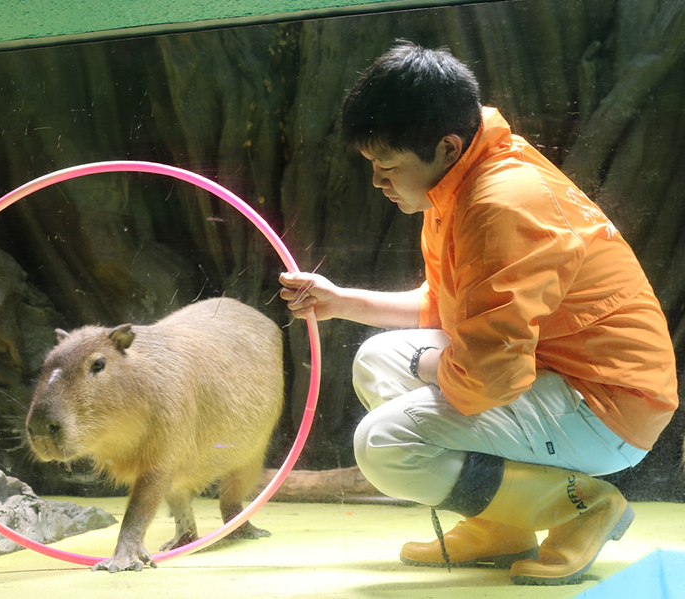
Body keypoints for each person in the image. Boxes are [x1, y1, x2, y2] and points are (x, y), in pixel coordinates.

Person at [279, 41, 678, 586]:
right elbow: (451, 310)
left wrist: (428, 367)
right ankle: (503, 525)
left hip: (606, 406)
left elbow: (487, 377)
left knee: (384, 444)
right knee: (376, 359)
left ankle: (579, 506)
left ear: (445, 145)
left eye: (388, 165)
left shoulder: (498, 205)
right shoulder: (462, 182)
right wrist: (343, 302)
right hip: (560, 376)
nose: (378, 181)